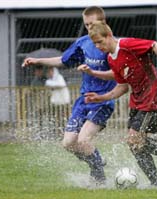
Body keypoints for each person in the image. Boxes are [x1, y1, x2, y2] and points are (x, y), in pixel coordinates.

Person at [84, 21, 157, 187]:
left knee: (134, 140)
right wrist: (101, 97)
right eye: (95, 43)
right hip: (137, 101)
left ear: (109, 36)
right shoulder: (111, 59)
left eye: (100, 42)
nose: (98, 46)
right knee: (135, 145)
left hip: (153, 98)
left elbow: (155, 45)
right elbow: (122, 87)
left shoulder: (127, 45)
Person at [22, 6, 117, 185]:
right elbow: (63, 60)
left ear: (103, 23)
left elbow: (120, 73)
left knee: (83, 140)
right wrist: (38, 61)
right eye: (86, 24)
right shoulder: (82, 43)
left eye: (92, 24)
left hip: (102, 101)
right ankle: (96, 161)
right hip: (84, 100)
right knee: (68, 143)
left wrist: (96, 74)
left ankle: (99, 178)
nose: (89, 28)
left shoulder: (111, 44)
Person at [45, 67, 70, 136]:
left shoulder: (59, 77)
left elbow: (61, 85)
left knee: (63, 119)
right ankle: (57, 134)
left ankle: (65, 133)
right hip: (55, 103)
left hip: (63, 103)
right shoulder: (50, 80)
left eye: (51, 72)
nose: (49, 73)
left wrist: (49, 83)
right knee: (56, 119)